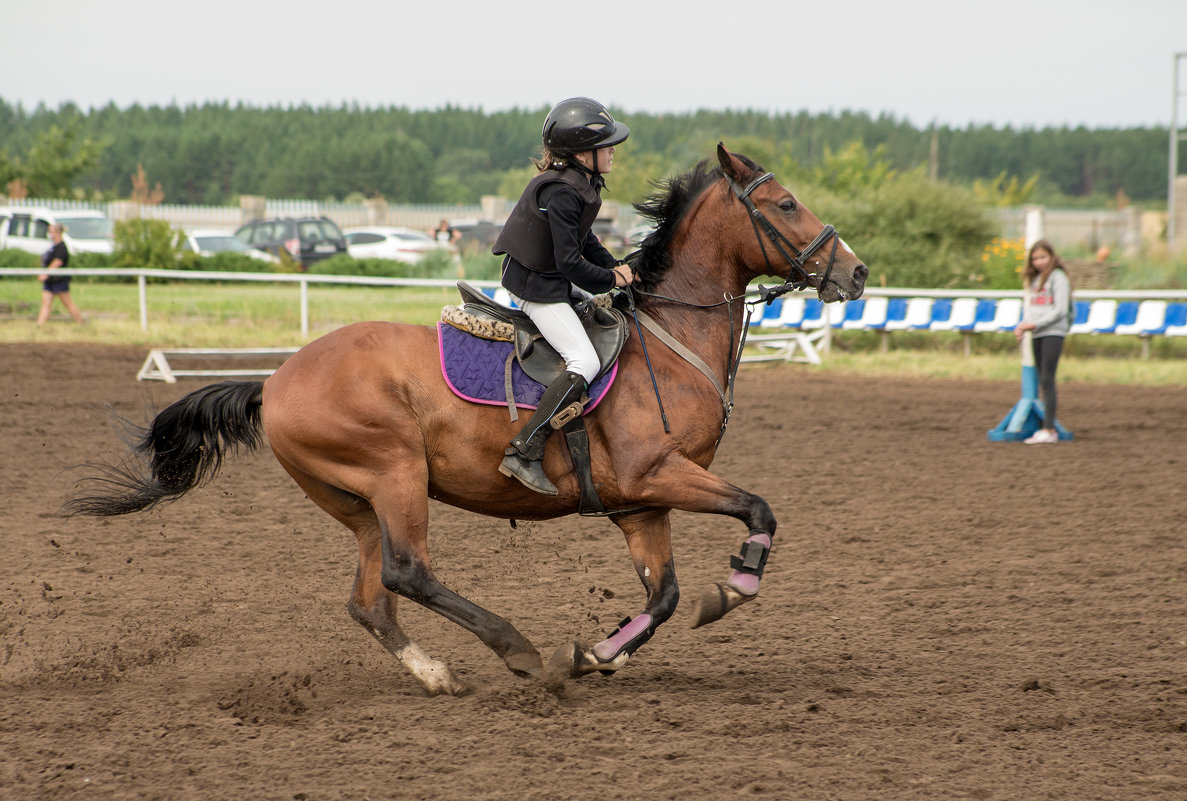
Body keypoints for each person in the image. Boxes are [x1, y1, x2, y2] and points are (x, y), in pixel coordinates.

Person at [491, 96, 636, 495]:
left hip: (550, 280)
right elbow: (571, 263)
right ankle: (524, 450)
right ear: (580, 153)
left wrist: (618, 267)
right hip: (536, 290)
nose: (612, 152)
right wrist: (611, 278)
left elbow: (584, 238)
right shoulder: (563, 192)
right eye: (606, 145)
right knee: (584, 359)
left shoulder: (581, 183)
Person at [1014, 239, 1072, 444]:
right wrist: (1023, 325)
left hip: (1053, 332)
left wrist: (1034, 324)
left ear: (1051, 256)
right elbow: (1031, 308)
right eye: (1035, 258)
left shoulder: (1058, 278)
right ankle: (1046, 427)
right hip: (1037, 332)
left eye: (1042, 257)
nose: (1038, 262)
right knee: (1042, 378)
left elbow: (1061, 310)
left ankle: (1049, 430)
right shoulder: (1035, 280)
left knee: (1048, 378)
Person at [37, 223, 83, 325]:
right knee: (45, 304)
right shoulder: (53, 246)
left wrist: (45, 274)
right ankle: (39, 326)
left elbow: (58, 262)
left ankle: (80, 323)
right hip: (50, 281)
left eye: (51, 231)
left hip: (59, 281)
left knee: (68, 304)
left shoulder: (61, 247)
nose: (49, 234)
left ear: (58, 232)